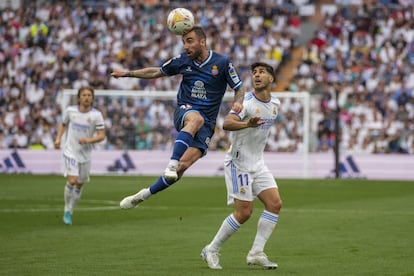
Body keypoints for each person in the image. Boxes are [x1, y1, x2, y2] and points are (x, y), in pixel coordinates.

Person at [111, 26, 245, 209]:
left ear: (202, 42)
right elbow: (156, 72)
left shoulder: (222, 62)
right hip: (185, 111)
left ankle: (143, 195)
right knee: (195, 120)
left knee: (182, 168)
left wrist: (238, 104)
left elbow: (239, 87)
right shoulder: (182, 61)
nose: (185, 46)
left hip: (208, 123)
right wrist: (127, 73)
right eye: (183, 42)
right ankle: (171, 163)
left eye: (189, 41)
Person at [201, 62, 282, 270]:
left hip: (258, 163)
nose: (257, 75)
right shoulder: (245, 103)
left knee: (275, 204)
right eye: (254, 72)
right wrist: (247, 124)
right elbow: (227, 124)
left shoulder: (275, 104)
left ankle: (256, 252)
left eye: (262, 72)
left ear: (271, 79)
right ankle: (211, 249)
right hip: (239, 163)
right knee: (244, 213)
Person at [54, 86, 106, 225]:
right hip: (70, 150)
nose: (86, 97)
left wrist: (89, 140)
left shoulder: (96, 115)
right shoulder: (70, 111)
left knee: (79, 185)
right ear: (78, 97)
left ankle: (71, 210)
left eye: (89, 95)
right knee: (72, 180)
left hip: (85, 153)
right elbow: (63, 125)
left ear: (93, 98)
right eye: (84, 95)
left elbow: (102, 136)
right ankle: (66, 209)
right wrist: (58, 138)